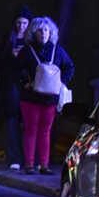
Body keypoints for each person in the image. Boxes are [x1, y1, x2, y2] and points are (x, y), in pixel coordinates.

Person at [17, 16, 74, 175]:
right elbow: (16, 70)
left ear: (52, 33)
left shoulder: (58, 50)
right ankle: (29, 164)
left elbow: (70, 67)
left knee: (45, 131)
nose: (44, 33)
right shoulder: (27, 51)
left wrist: (61, 82)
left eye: (47, 30)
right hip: (30, 98)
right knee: (31, 130)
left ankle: (43, 164)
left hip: (50, 98)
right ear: (34, 33)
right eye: (40, 30)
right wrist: (24, 83)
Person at [0, 11, 32, 171]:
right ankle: (14, 158)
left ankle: (29, 158)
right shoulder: (8, 40)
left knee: (30, 123)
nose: (21, 26)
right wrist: (11, 55)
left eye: (24, 23)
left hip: (29, 85)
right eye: (18, 23)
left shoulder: (32, 40)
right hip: (11, 85)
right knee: (12, 120)